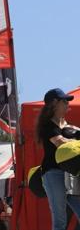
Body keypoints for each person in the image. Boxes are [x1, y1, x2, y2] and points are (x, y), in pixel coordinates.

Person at [36, 88, 80, 230]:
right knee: (60, 220)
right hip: (53, 173)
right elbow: (60, 143)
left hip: (70, 174)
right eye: (64, 101)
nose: (68, 103)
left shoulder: (68, 126)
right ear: (54, 103)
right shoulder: (47, 125)